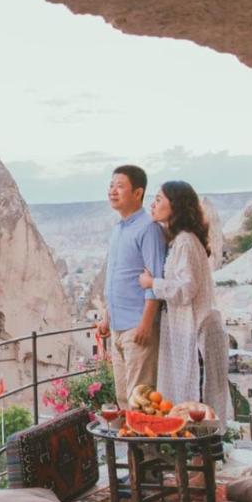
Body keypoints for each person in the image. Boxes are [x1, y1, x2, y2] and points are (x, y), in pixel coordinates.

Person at [137, 180, 216, 406]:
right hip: (188, 332)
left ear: (176, 205)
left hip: (195, 333)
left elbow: (186, 289)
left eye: (158, 199)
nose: (153, 204)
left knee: (193, 405)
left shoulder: (185, 242)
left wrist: (152, 283)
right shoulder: (180, 241)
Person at [96, 165, 166, 410]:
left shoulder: (148, 228)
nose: (112, 191)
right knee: (123, 398)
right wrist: (107, 318)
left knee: (141, 400)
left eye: (120, 186)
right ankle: (132, 438)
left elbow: (155, 279)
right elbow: (117, 278)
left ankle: (144, 438)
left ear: (138, 193)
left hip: (137, 327)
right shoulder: (118, 229)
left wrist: (146, 323)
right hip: (118, 327)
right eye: (111, 185)